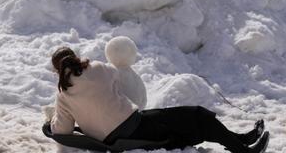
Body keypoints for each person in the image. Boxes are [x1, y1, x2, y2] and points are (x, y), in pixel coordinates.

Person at [47, 47, 270, 153]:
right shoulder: (97, 67)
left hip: (112, 137)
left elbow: (63, 130)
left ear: (58, 70)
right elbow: (115, 78)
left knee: (185, 125)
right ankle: (244, 150)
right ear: (76, 57)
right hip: (135, 124)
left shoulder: (63, 95)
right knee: (197, 115)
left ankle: (242, 139)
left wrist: (51, 126)